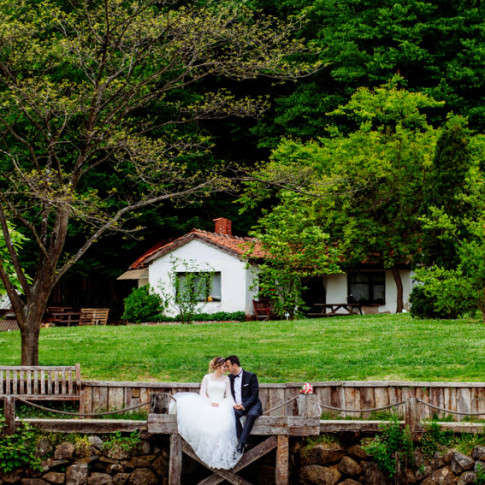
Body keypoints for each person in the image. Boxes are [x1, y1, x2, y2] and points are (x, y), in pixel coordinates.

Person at [169, 357, 241, 469]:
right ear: (217, 366)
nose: (225, 369)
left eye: (226, 367)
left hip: (222, 404)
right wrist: (210, 402)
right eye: (224, 367)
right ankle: (208, 449)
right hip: (208, 402)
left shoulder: (226, 379)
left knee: (224, 427)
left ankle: (220, 454)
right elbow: (202, 393)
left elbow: (229, 395)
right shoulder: (207, 377)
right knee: (204, 425)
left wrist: (233, 404)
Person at [225, 355, 263, 453]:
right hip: (237, 406)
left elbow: (254, 396)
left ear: (235, 365)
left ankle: (241, 443)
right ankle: (245, 441)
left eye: (228, 366)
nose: (227, 369)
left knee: (251, 415)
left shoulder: (251, 376)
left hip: (252, 404)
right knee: (232, 413)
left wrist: (244, 405)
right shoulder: (229, 378)